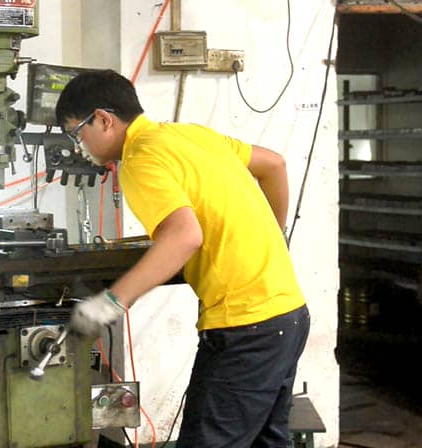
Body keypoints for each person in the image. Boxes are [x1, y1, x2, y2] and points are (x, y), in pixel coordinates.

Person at [56, 69, 310, 447]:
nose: (80, 147)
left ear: (104, 119)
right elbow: (274, 165)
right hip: (288, 313)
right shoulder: (190, 134)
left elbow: (185, 235)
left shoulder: (140, 159)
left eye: (77, 134)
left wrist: (110, 302)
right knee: (267, 442)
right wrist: (274, 235)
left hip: (246, 326)